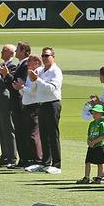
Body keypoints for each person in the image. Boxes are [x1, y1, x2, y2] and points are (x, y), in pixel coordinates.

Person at [26, 46, 63, 174]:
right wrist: (33, 80)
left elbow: (51, 88)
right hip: (41, 104)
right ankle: (45, 163)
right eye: (43, 56)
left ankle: (57, 164)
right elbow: (36, 88)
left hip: (52, 104)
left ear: (53, 57)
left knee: (53, 135)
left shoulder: (56, 71)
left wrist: (37, 80)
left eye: (47, 55)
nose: (44, 58)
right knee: (43, 134)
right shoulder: (41, 70)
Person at [78, 103, 104, 184]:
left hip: (99, 146)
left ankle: (98, 177)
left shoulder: (102, 124)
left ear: (101, 114)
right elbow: (89, 135)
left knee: (99, 163)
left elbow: (103, 136)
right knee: (87, 162)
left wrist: (94, 142)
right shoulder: (91, 124)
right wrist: (89, 142)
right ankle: (86, 177)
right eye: (93, 113)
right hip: (91, 146)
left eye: (96, 113)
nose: (94, 115)